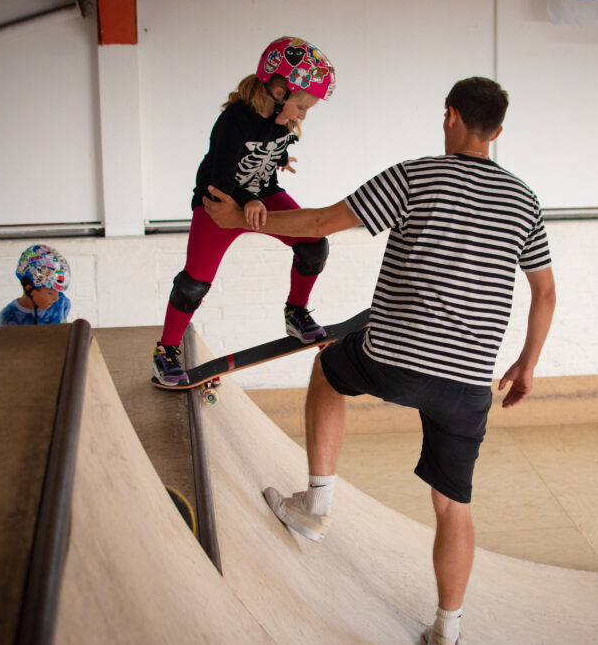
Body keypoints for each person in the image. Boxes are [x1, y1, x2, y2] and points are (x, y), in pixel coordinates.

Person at [203, 76, 556, 645]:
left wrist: (239, 219)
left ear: (451, 117)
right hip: (467, 383)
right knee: (453, 506)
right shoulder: (524, 200)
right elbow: (545, 292)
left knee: (328, 368)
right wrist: (526, 365)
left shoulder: (416, 174)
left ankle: (315, 505)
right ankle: (447, 629)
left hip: (392, 356)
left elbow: (320, 224)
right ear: (497, 132)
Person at [152, 36, 338, 387]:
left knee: (314, 244)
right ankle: (166, 352)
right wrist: (247, 199)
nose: (303, 115)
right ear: (280, 89)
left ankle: (295, 312)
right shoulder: (233, 120)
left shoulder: (282, 120)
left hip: (263, 198)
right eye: (302, 107)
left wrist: (280, 159)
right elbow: (220, 179)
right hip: (218, 204)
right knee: (194, 284)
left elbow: (268, 144)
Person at [0, 244, 72, 326]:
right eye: (50, 293)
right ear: (29, 289)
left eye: (58, 292)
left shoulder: (61, 303)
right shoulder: (9, 317)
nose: (56, 298)